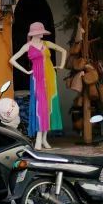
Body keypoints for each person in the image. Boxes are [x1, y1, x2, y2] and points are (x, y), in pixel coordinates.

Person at [10, 22, 67, 150]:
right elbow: (12, 60)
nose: (42, 34)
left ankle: (44, 139)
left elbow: (63, 51)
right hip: (37, 78)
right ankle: (39, 139)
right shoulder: (27, 46)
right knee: (40, 107)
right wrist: (26, 71)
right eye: (40, 31)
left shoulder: (46, 44)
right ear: (35, 33)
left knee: (49, 107)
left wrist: (61, 65)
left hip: (50, 77)